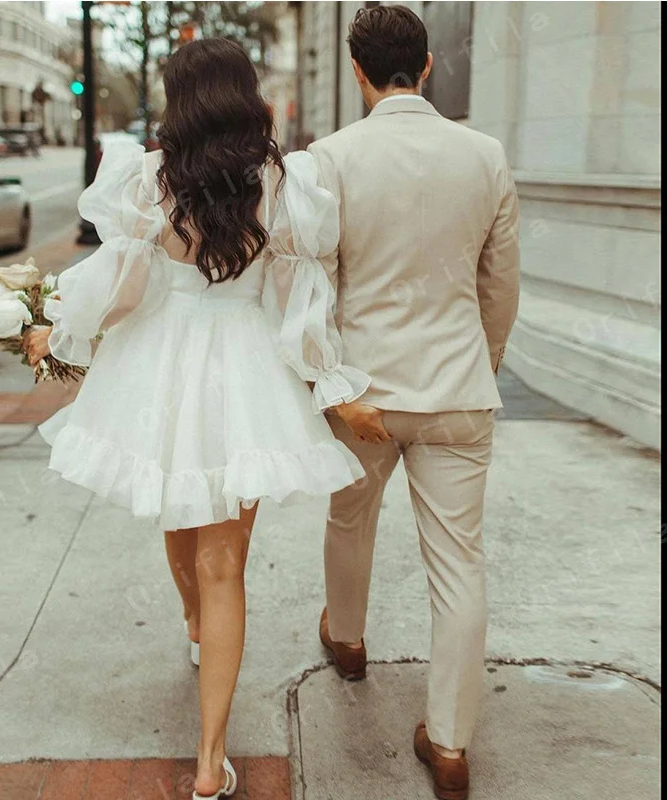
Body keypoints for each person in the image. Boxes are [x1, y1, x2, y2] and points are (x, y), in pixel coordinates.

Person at [23, 38, 368, 800]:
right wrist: (329, 381)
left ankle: (191, 625)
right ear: (244, 95)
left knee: (178, 515)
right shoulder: (281, 181)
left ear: (180, 99)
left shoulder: (147, 178)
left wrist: (67, 336)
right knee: (226, 565)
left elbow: (122, 283)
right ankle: (211, 761)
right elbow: (295, 304)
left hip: (162, 365)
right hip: (247, 367)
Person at [307, 6, 520, 799]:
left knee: (347, 518)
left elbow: (313, 286)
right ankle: (452, 743)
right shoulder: (485, 154)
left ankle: (350, 642)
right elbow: (500, 285)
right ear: (426, 65)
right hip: (459, 386)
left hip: (364, 392)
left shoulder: (328, 159)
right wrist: (480, 364)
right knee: (459, 564)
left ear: (357, 70)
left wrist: (330, 383)